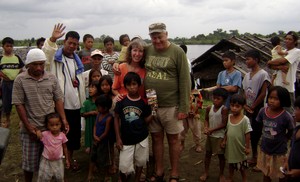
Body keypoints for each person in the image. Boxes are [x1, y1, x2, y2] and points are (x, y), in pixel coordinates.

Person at [12, 48, 68, 182]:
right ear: (28, 65)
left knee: (52, 160)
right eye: (35, 64)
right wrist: (29, 127)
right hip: (31, 129)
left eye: (41, 64)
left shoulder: (51, 78)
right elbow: (19, 105)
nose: (39, 67)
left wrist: (64, 120)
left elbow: (58, 99)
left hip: (51, 128)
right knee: (29, 163)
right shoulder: (20, 80)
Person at [145, 22, 191, 182]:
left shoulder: (177, 52)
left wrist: (184, 106)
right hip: (152, 104)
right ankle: (159, 171)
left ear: (166, 34)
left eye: (160, 37)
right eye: (153, 37)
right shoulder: (147, 49)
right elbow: (131, 55)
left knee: (173, 140)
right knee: (156, 138)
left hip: (172, 104)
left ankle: (175, 174)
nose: (157, 41)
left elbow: (185, 80)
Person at [42, 23, 86, 169]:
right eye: (69, 43)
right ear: (64, 42)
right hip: (59, 106)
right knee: (56, 136)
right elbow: (45, 56)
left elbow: (79, 80)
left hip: (75, 105)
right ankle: (56, 161)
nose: (72, 46)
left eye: (75, 44)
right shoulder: (55, 58)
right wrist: (52, 40)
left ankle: (70, 159)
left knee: (72, 136)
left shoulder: (77, 61)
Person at [114, 72, 152, 182]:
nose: (132, 87)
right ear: (125, 86)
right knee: (124, 167)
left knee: (140, 161)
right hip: (126, 138)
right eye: (129, 85)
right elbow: (116, 118)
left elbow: (146, 121)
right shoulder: (121, 101)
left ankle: (137, 179)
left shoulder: (144, 103)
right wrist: (118, 137)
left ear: (139, 85)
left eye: (134, 84)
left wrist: (154, 112)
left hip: (142, 137)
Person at [256, 86, 294, 182]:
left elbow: (291, 130)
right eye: (270, 98)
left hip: (279, 151)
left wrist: (286, 138)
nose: (272, 101)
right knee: (266, 173)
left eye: (276, 99)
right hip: (265, 148)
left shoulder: (286, 116)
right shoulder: (262, 112)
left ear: (283, 100)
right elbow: (260, 124)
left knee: (281, 174)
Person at [242, 49, 271, 166]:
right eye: (246, 59)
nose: (246, 61)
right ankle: (254, 156)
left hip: (258, 108)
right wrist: (245, 105)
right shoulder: (247, 75)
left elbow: (263, 93)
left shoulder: (263, 74)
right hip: (248, 108)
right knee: (249, 131)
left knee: (257, 133)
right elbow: (244, 91)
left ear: (256, 60)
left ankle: (258, 158)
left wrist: (253, 106)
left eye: (248, 59)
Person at [221, 94, 252, 182]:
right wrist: (224, 141)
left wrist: (247, 147)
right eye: (232, 105)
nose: (234, 108)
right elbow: (227, 130)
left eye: (237, 106)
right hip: (230, 146)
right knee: (231, 163)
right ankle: (230, 177)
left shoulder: (245, 119)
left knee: (241, 166)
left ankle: (244, 179)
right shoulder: (229, 117)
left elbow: (247, 134)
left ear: (242, 107)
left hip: (240, 147)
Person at [267, 31, 300, 114]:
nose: (287, 41)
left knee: (289, 112)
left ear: (295, 41)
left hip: (287, 88)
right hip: (277, 85)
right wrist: (279, 66)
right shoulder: (283, 51)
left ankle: (291, 127)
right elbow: (270, 66)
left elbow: (283, 60)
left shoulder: (296, 51)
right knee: (276, 111)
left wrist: (271, 62)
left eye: (290, 39)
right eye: (286, 39)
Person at [200, 87, 228, 182]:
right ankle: (206, 172)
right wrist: (206, 127)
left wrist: (212, 129)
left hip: (219, 136)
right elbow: (206, 119)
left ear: (224, 100)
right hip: (210, 136)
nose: (215, 100)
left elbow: (224, 124)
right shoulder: (209, 108)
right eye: (214, 98)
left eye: (218, 99)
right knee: (207, 154)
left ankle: (221, 174)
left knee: (221, 156)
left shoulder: (224, 109)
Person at [36, 113, 70, 182]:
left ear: (61, 124)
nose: (54, 127)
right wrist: (37, 132)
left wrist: (67, 159)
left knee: (59, 178)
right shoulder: (45, 134)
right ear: (47, 125)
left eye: (57, 125)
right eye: (51, 125)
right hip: (46, 160)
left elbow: (65, 147)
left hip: (58, 160)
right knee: (43, 178)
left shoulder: (62, 135)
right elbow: (37, 133)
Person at [0, 37, 24, 128]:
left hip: (16, 83)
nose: (9, 48)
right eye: (7, 46)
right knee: (6, 103)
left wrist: (17, 76)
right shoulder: (1, 58)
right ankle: (7, 119)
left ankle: (21, 120)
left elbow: (22, 68)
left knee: (20, 101)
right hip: (6, 84)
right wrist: (4, 76)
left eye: (11, 46)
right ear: (3, 47)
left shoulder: (17, 57)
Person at [88, 94, 113, 181]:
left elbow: (106, 132)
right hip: (95, 139)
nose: (97, 108)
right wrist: (94, 135)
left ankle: (106, 174)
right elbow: (95, 125)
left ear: (105, 108)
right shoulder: (98, 114)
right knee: (93, 157)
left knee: (104, 159)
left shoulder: (109, 118)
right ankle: (90, 174)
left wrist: (99, 139)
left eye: (99, 106)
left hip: (104, 141)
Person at [180, 73, 203, 153]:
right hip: (184, 115)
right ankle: (182, 143)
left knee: (196, 131)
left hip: (194, 115)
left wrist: (194, 111)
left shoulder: (196, 93)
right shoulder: (181, 92)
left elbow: (200, 103)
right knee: (182, 131)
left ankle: (198, 144)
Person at [283, 97, 300, 181]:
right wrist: (287, 162)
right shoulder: (296, 129)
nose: (294, 112)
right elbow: (291, 148)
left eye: (297, 109)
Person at [81, 81, 100, 154]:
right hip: (89, 125)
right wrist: (91, 113)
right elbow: (82, 113)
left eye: (93, 87)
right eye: (89, 87)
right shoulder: (86, 102)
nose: (90, 89)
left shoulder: (100, 101)